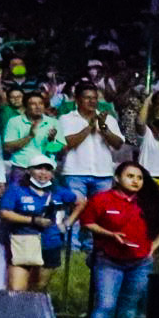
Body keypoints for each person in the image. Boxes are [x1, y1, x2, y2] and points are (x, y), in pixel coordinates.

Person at [81, 162, 159, 318]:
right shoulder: (102, 199)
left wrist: (154, 246)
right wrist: (110, 234)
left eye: (139, 178)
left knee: (129, 305)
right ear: (117, 178)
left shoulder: (148, 201)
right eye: (130, 176)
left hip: (140, 262)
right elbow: (87, 222)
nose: (135, 181)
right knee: (106, 304)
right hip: (108, 260)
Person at [0, 155, 84, 293]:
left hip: (50, 243)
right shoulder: (16, 189)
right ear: (29, 170)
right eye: (39, 168)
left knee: (38, 287)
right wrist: (32, 220)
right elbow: (4, 213)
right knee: (17, 289)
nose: (43, 172)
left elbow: (81, 202)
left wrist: (67, 224)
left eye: (48, 169)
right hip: (23, 242)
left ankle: (31, 308)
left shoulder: (57, 190)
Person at [57, 84, 126, 250]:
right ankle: (72, 247)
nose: (92, 101)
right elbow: (66, 144)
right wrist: (89, 127)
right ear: (77, 99)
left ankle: (93, 247)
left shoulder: (108, 119)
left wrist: (103, 127)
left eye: (94, 98)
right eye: (87, 98)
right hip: (75, 171)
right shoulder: (66, 119)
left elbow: (118, 144)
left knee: (99, 212)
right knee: (75, 209)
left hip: (103, 173)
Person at [2, 92, 63, 180]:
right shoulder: (14, 121)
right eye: (33, 104)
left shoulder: (53, 122)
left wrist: (51, 140)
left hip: (45, 170)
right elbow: (7, 147)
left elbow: (58, 150)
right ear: (25, 106)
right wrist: (29, 136)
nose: (38, 107)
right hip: (21, 168)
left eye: (40, 103)